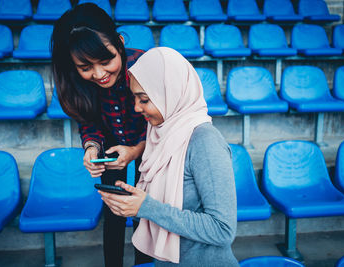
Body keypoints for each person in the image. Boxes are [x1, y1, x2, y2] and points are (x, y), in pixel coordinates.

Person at [99, 47, 239, 266]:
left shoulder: (205, 142)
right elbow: (162, 210)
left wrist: (145, 207)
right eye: (134, 98)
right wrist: (131, 203)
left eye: (144, 99)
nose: (136, 108)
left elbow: (222, 230)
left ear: (170, 94)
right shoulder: (159, 134)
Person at [50, 3, 151, 266]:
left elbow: (162, 123)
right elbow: (89, 121)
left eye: (107, 61)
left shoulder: (146, 66)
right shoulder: (77, 80)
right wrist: (92, 147)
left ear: (119, 43)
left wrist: (136, 151)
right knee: (113, 209)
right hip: (111, 145)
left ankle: (145, 262)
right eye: (85, 67)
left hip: (152, 144)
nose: (99, 74)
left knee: (146, 209)